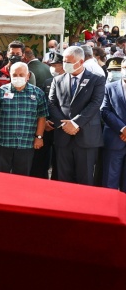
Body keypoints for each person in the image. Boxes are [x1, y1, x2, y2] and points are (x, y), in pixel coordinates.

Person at [48, 46, 105, 186]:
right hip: (63, 136)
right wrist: (64, 124)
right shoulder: (58, 80)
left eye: (68, 62)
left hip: (86, 136)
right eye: (64, 61)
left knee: (85, 178)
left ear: (80, 62)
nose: (64, 65)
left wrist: (75, 123)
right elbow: (51, 103)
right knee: (63, 178)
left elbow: (95, 104)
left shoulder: (96, 79)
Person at [0, 62, 48, 176]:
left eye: (21, 74)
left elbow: (42, 117)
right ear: (10, 75)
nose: (18, 77)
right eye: (14, 74)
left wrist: (39, 137)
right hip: (3, 142)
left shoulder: (38, 93)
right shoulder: (1, 92)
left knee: (22, 177)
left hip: (26, 143)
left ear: (28, 76)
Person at [30, 52, 64, 179]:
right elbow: (43, 102)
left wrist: (57, 121)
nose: (53, 68)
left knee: (59, 162)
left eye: (55, 65)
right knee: (40, 161)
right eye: (52, 65)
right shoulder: (48, 81)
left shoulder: (70, 82)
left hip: (61, 127)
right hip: (46, 126)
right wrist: (44, 122)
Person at [100, 58, 126, 189]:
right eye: (124, 68)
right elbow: (104, 111)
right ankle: (108, 209)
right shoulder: (109, 87)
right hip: (114, 139)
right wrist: (122, 129)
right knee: (110, 181)